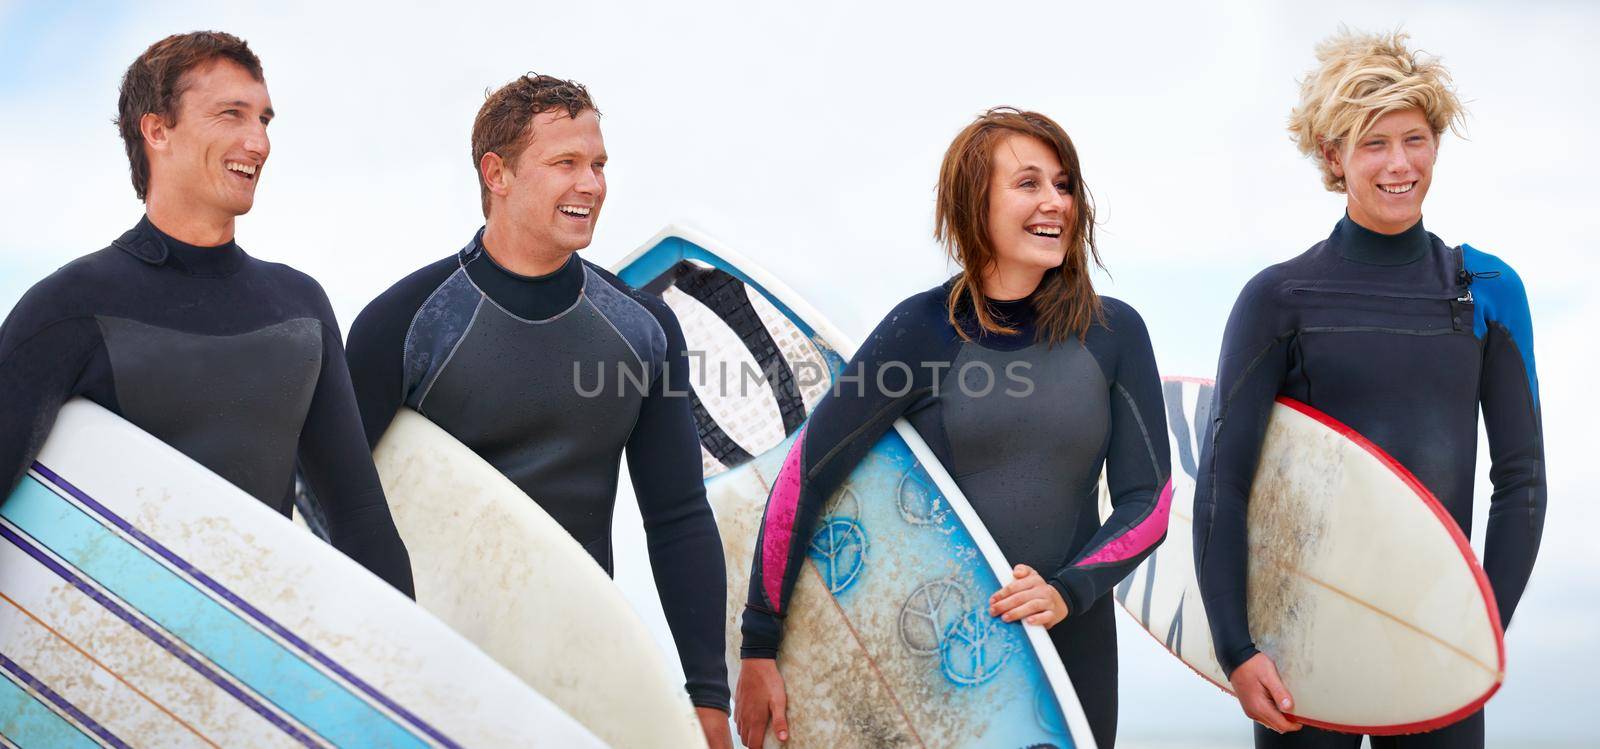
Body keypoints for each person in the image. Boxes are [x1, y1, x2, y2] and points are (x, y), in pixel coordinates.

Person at [733, 107, 1172, 749]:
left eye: (1064, 184)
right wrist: (759, 645)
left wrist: (1066, 592)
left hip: (1070, 656)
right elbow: (807, 475)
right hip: (938, 661)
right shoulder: (923, 330)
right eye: (1028, 183)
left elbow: (1150, 501)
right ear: (974, 203)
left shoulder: (1113, 333)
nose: (1055, 202)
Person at [344, 73, 732, 747]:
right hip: (423, 675)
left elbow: (675, 516)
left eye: (599, 164)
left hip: (570, 680)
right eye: (566, 164)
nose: (591, 184)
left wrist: (706, 694)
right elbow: (331, 499)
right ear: (498, 173)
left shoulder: (642, 329)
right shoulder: (406, 323)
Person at [1193, 29, 1545, 748]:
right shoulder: (1279, 299)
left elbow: (1522, 481)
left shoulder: (1486, 291)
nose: (1398, 164)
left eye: (1414, 139)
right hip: (1303, 653)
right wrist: (1236, 649)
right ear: (1333, 155)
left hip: (1436, 648)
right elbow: (1223, 483)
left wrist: (1480, 635)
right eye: (1372, 142)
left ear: (1436, 145)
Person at [0, 31, 413, 594]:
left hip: (259, 651)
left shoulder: (300, 307)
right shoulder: (72, 307)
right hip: (116, 659)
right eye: (232, 115)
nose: (258, 142)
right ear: (157, 129)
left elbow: (361, 518)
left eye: (264, 120)